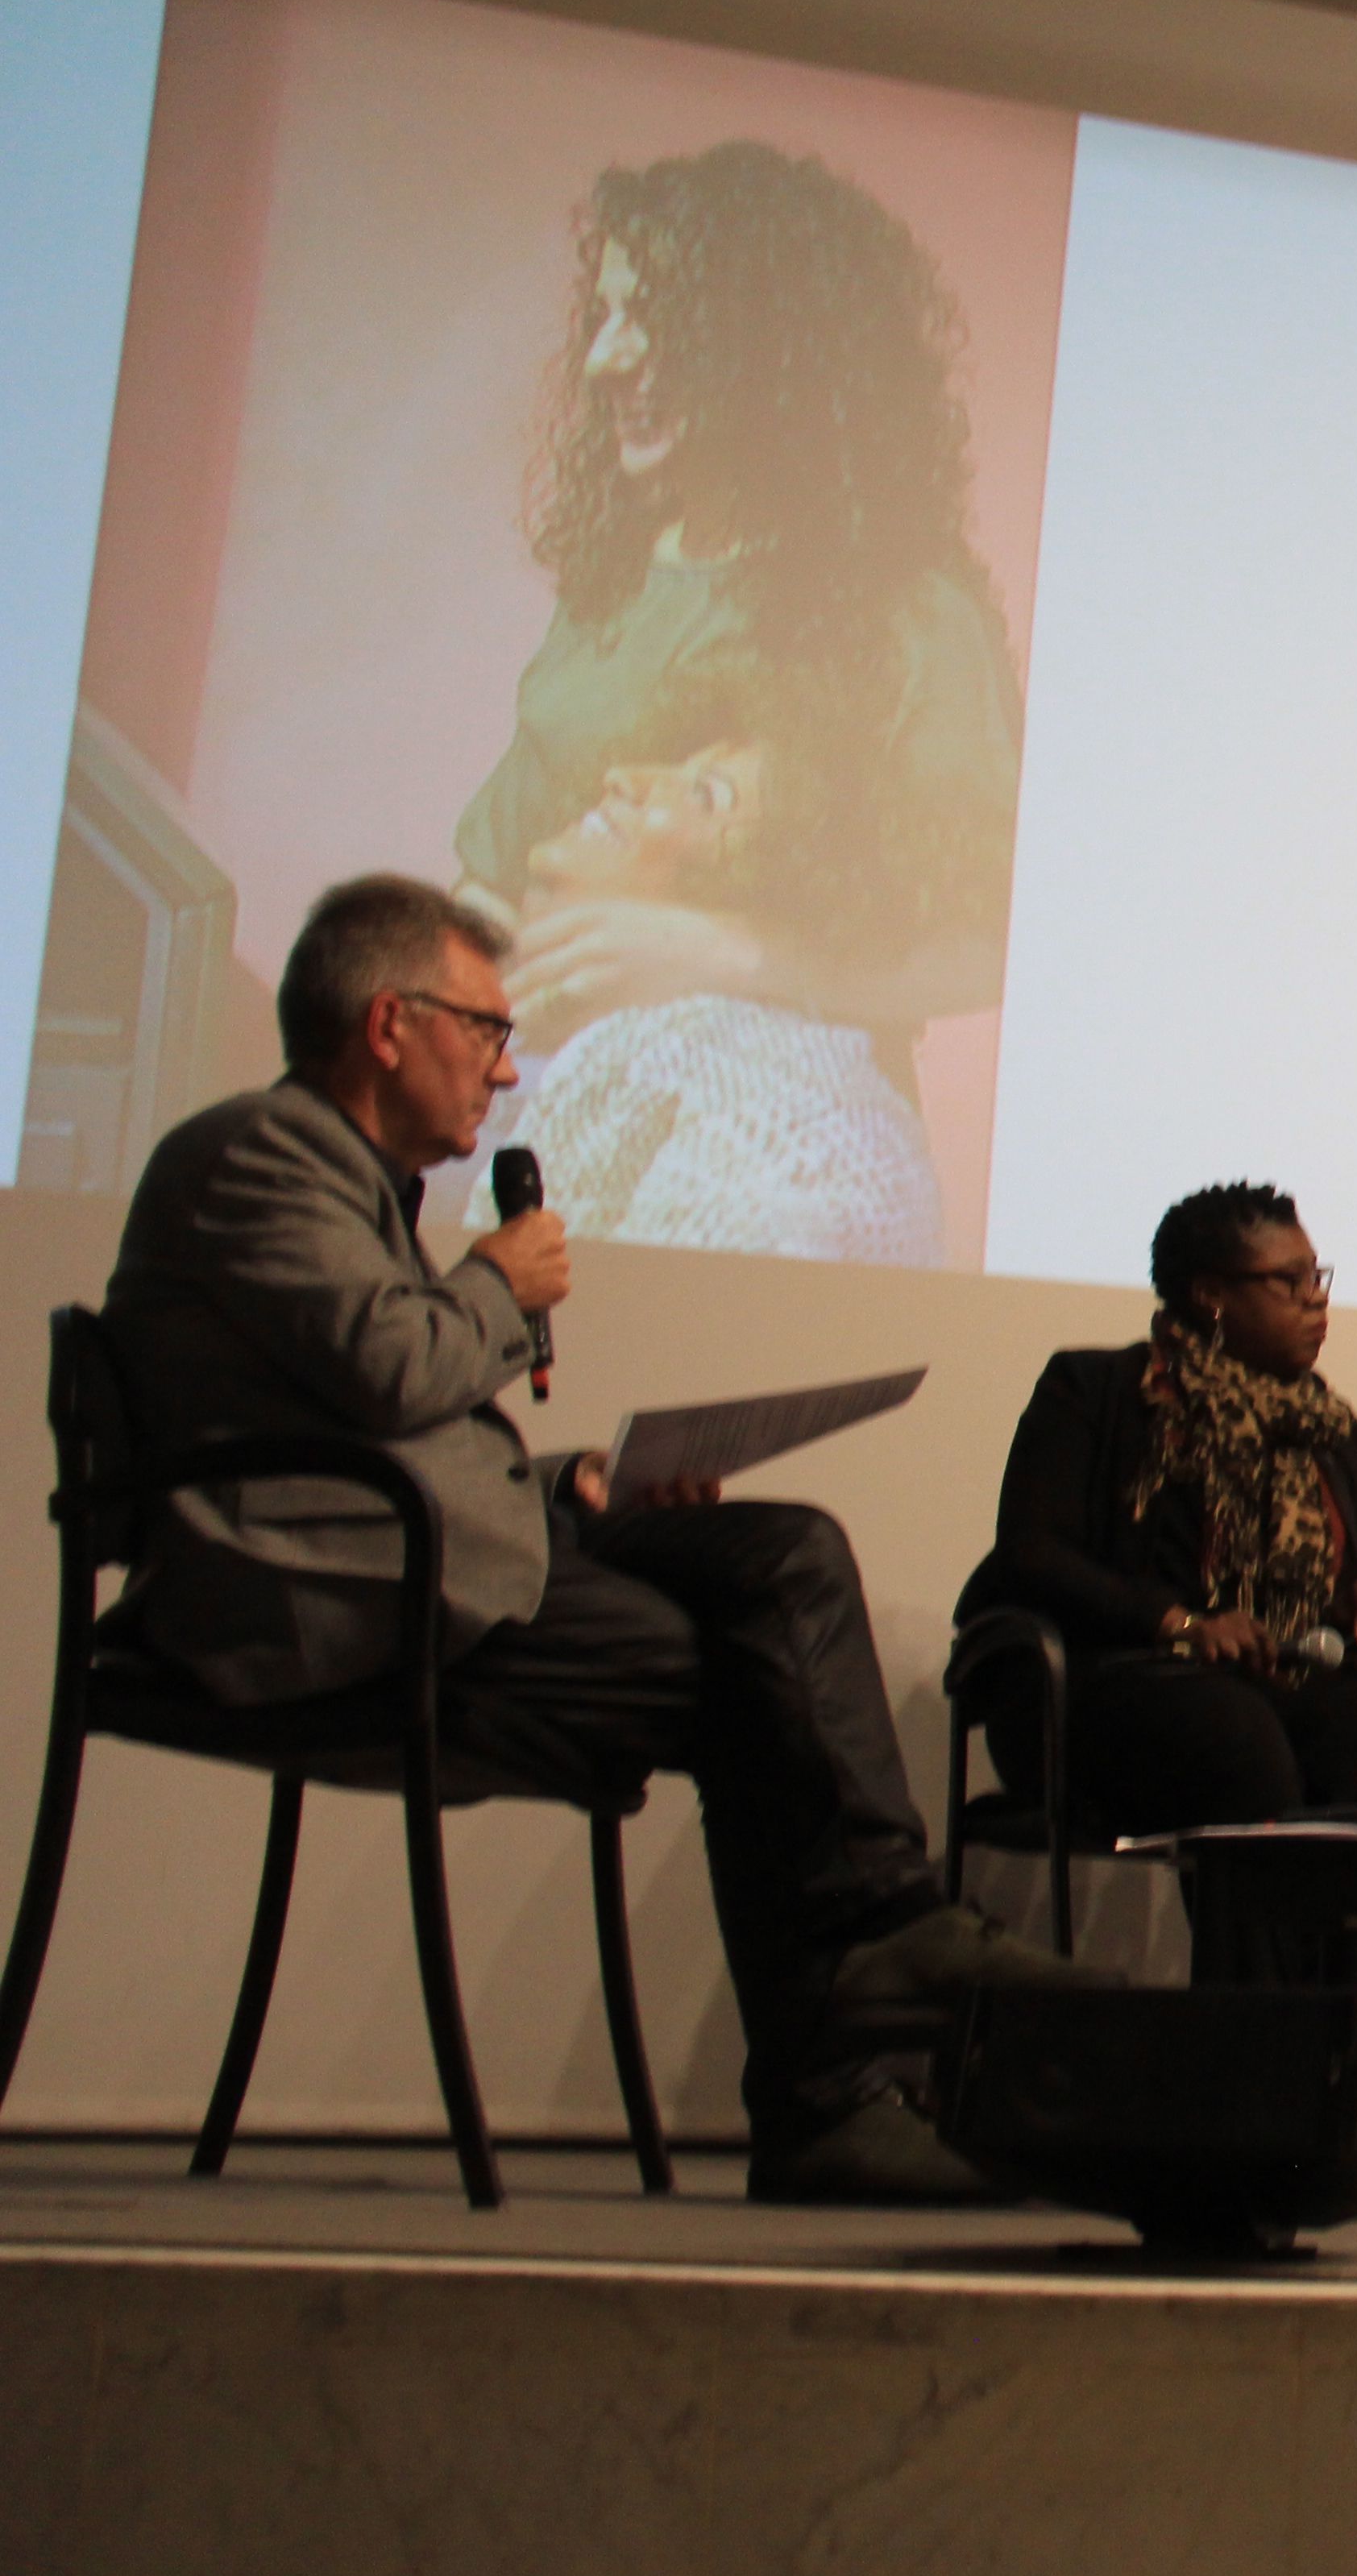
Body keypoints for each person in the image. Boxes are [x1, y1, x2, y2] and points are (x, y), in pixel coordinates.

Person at [103, 877, 1102, 2202]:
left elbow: (375, 1410)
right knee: (756, 1684)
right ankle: (837, 2070)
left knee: (786, 1554)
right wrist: (494, 1280)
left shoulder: (349, 1181)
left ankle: (875, 1958)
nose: (506, 1069)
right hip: (330, 1593)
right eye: (486, 1030)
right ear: (389, 1024)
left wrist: (573, 1480)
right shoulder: (259, 1155)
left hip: (430, 1544)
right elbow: (393, 1372)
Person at [452, 144, 1020, 1234]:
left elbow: (997, 942)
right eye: (604, 317)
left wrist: (722, 959)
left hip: (762, 1174)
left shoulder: (909, 607)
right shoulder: (613, 582)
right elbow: (493, 875)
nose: (606, 359)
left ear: (771, 346)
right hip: (543, 1144)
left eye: (654, 320)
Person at [957, 1183, 1357, 1845]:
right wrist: (1181, 1623)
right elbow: (1033, 1555)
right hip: (1111, 1676)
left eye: (1316, 1277)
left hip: (1280, 1679)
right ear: (1211, 1295)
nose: (1316, 1298)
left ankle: (1308, 1920)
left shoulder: (1331, 1430)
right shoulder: (1098, 1391)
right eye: (1289, 1281)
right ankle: (1263, 1916)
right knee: (1240, 1746)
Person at [480, 711, 945, 1263]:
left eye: (706, 795)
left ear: (748, 894)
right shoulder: (522, 1040)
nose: (621, 777)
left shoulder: (777, 1132)